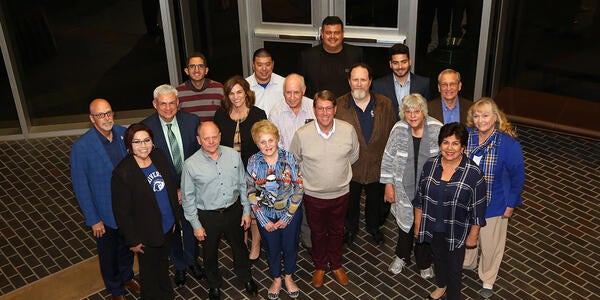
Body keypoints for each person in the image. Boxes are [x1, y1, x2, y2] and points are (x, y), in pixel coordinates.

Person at [70, 98, 140, 300]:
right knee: (108, 255)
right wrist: (93, 219)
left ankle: (127, 276)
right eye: (101, 115)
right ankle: (115, 289)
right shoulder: (81, 147)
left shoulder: (123, 134)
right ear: (92, 119)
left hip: (128, 209)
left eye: (109, 113)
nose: (106, 118)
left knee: (128, 247)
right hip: (104, 214)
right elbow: (81, 186)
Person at [289, 90, 359, 288]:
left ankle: (336, 265)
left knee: (337, 231)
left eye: (329, 108)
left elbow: (353, 155)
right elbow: (295, 160)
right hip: (313, 196)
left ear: (335, 109)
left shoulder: (348, 130)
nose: (325, 113)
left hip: (341, 193)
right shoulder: (302, 134)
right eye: (320, 108)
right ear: (314, 109)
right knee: (317, 233)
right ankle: (320, 266)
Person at [181, 121, 258, 300]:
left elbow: (242, 184)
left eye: (214, 136)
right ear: (199, 140)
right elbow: (188, 198)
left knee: (240, 248)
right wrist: (195, 224)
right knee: (209, 253)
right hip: (208, 216)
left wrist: (246, 210)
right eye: (206, 138)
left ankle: (246, 277)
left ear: (220, 136)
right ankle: (214, 284)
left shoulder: (233, 155)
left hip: (233, 211)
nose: (211, 141)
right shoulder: (190, 165)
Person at [413, 122, 487, 300]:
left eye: (455, 143)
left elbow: (479, 207)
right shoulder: (430, 165)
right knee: (438, 260)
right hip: (433, 226)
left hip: (457, 230)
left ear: (463, 146)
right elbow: (420, 198)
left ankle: (453, 295)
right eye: (445, 142)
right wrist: (418, 224)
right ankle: (441, 285)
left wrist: (473, 235)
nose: (450, 148)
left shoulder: (473, 173)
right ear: (440, 144)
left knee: (454, 270)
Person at [463, 98, 525, 299]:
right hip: (467, 201)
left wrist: (511, 203)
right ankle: (467, 263)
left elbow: (518, 176)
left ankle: (488, 278)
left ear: (495, 117)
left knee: (491, 245)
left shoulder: (508, 143)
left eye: (485, 115)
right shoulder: (467, 136)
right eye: (477, 115)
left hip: (495, 203)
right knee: (467, 235)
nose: (480, 120)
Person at [142, 84, 204, 287]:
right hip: (163, 191)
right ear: (154, 104)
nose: (168, 108)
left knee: (191, 224)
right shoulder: (146, 129)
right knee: (172, 229)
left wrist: (186, 187)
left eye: (171, 103)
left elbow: (198, 156)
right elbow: (147, 164)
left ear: (178, 103)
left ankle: (192, 260)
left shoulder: (192, 122)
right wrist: (172, 190)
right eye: (163, 104)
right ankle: (179, 265)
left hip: (191, 186)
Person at [111, 123, 182, 300]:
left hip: (166, 228)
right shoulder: (123, 173)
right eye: (137, 142)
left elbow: (170, 187)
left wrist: (174, 220)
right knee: (149, 277)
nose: (143, 146)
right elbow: (122, 213)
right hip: (145, 237)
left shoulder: (158, 156)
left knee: (163, 268)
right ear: (129, 145)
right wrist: (132, 240)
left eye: (146, 140)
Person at [380, 93, 442, 279]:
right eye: (408, 111)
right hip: (402, 188)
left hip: (429, 190)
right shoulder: (398, 128)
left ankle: (424, 263)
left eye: (417, 111)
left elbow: (447, 157)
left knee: (424, 227)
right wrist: (388, 185)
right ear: (403, 114)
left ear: (424, 112)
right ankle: (401, 256)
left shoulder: (437, 128)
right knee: (404, 226)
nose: (413, 115)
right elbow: (388, 156)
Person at [335, 63, 395, 246]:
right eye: (355, 80)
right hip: (350, 168)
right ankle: (350, 229)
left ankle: (374, 228)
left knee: (375, 205)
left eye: (363, 79)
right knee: (350, 204)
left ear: (370, 81)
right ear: (349, 82)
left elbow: (392, 136)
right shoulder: (339, 105)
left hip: (377, 165)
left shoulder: (385, 104)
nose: (359, 84)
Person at [246, 120, 304, 300]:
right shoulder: (253, 161)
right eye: (262, 142)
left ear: (277, 139)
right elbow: (250, 190)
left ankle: (288, 277)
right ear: (257, 143)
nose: (267, 145)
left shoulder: (289, 158)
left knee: (290, 246)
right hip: (265, 215)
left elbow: (298, 188)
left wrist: (286, 217)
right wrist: (263, 220)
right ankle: (276, 278)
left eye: (270, 140)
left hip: (290, 213)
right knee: (271, 248)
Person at [214, 75, 267, 262]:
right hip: (230, 173)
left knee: (253, 210)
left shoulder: (258, 114)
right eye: (231, 93)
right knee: (237, 210)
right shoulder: (220, 115)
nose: (235, 97)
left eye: (239, 92)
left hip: (254, 172)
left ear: (246, 93)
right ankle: (241, 244)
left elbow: (264, 145)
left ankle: (256, 243)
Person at [268, 73, 315, 253]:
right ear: (284, 92)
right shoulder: (276, 111)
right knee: (292, 208)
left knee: (310, 208)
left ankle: (310, 242)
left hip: (311, 167)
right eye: (288, 93)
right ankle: (291, 244)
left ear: (303, 91)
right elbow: (275, 144)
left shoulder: (313, 107)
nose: (292, 97)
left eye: (296, 92)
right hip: (286, 170)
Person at [299, 16, 363, 97]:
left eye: (337, 33)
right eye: (328, 33)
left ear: (343, 34)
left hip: (347, 107)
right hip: (317, 107)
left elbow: (363, 85)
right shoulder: (307, 56)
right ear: (322, 34)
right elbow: (300, 87)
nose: (332, 37)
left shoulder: (355, 54)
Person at [372, 43, 431, 119]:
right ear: (390, 64)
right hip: (389, 130)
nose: (400, 67)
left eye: (404, 62)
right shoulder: (378, 86)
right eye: (396, 63)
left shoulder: (423, 84)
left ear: (410, 62)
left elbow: (426, 113)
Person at [177, 52, 224, 122]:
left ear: (206, 70)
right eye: (192, 66)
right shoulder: (178, 92)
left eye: (200, 66)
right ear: (187, 71)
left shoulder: (219, 89)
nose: (197, 70)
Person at [246, 48, 285, 117]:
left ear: (273, 64)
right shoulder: (245, 86)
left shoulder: (284, 84)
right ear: (253, 65)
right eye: (259, 65)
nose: (264, 69)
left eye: (267, 64)